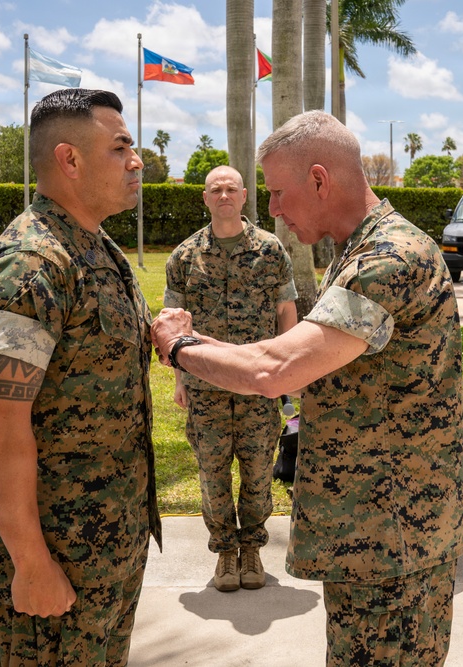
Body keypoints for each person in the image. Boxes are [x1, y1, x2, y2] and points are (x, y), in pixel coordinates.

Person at [152, 111, 463, 666]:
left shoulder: (386, 259)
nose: (269, 209)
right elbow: (292, 350)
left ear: (320, 180)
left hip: (392, 537)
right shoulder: (357, 249)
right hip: (373, 530)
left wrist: (179, 347)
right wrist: (198, 340)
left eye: (275, 191)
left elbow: (277, 369)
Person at [0, 88, 160, 667]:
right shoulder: (31, 264)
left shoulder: (95, 248)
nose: (137, 160)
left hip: (106, 539)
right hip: (56, 550)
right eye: (121, 146)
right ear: (69, 160)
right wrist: (30, 562)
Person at [164, 165, 298, 592]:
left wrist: (288, 372)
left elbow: (286, 314)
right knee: (212, 472)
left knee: (259, 471)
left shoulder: (271, 250)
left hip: (259, 385)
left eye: (230, 189)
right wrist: (180, 379)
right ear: (205, 198)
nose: (223, 195)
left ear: (244, 196)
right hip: (206, 387)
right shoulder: (184, 256)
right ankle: (225, 552)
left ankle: (252, 549)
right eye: (214, 189)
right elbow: (175, 325)